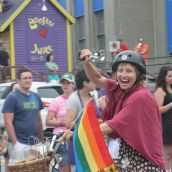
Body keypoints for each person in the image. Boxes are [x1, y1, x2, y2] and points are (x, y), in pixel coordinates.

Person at [63, 50, 165, 171]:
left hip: (144, 162)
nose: (123, 75)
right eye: (120, 70)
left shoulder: (140, 97)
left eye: (129, 71)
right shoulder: (120, 89)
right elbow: (97, 78)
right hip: (127, 159)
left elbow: (110, 126)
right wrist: (86, 62)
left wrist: (76, 136)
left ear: (138, 74)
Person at [2, 68, 44, 162]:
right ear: (18, 81)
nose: (28, 80)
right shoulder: (12, 97)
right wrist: (16, 143)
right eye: (25, 78)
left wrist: (41, 141)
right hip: (19, 144)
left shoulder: (36, 96)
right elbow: (8, 122)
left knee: (35, 168)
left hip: (35, 143)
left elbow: (39, 121)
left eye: (30, 78)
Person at [65, 70, 96, 172]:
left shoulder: (93, 96)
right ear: (85, 83)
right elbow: (68, 124)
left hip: (91, 145)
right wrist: (86, 122)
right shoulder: (73, 99)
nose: (95, 82)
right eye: (92, 80)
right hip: (78, 144)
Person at [46, 73, 75, 172]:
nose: (65, 85)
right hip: (60, 139)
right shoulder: (56, 101)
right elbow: (48, 121)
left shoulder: (77, 100)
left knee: (75, 167)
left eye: (68, 83)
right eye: (63, 83)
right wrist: (62, 123)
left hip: (74, 138)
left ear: (73, 85)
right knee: (65, 167)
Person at [154, 66, 172, 170]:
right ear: (163, 77)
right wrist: (170, 105)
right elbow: (157, 110)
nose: (171, 78)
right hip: (166, 125)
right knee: (166, 154)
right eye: (169, 76)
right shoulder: (160, 90)